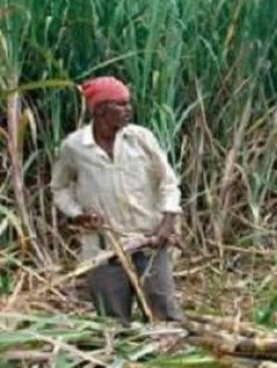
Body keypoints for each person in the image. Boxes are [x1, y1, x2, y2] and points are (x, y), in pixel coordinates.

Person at [51, 76, 185, 324]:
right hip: (105, 247)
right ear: (100, 110)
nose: (128, 109)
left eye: (128, 103)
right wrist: (77, 214)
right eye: (120, 104)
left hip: (149, 241)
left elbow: (168, 182)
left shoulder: (141, 139)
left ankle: (167, 358)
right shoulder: (75, 147)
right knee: (112, 321)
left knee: (164, 314)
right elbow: (59, 189)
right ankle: (119, 360)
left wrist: (168, 221)